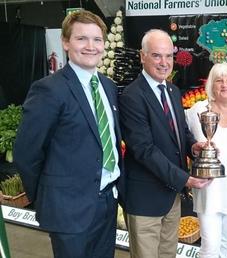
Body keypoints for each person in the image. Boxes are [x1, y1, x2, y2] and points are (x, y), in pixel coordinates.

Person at [13, 10, 123, 258]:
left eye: (96, 40)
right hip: (68, 210)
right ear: (65, 42)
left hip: (107, 203)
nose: (90, 46)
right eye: (81, 39)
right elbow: (25, 153)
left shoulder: (108, 86)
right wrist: (47, 199)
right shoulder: (49, 90)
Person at [118, 29, 211, 258]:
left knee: (168, 255)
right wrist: (185, 179)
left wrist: (193, 146)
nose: (164, 62)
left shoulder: (172, 89)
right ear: (142, 56)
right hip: (145, 200)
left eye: (169, 56)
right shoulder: (131, 96)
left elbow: (180, 130)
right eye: (157, 55)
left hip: (171, 197)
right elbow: (144, 150)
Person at [185, 62, 227, 258]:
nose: (225, 84)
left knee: (225, 246)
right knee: (209, 249)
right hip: (208, 193)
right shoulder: (197, 111)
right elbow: (181, 140)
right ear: (211, 85)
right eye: (219, 80)